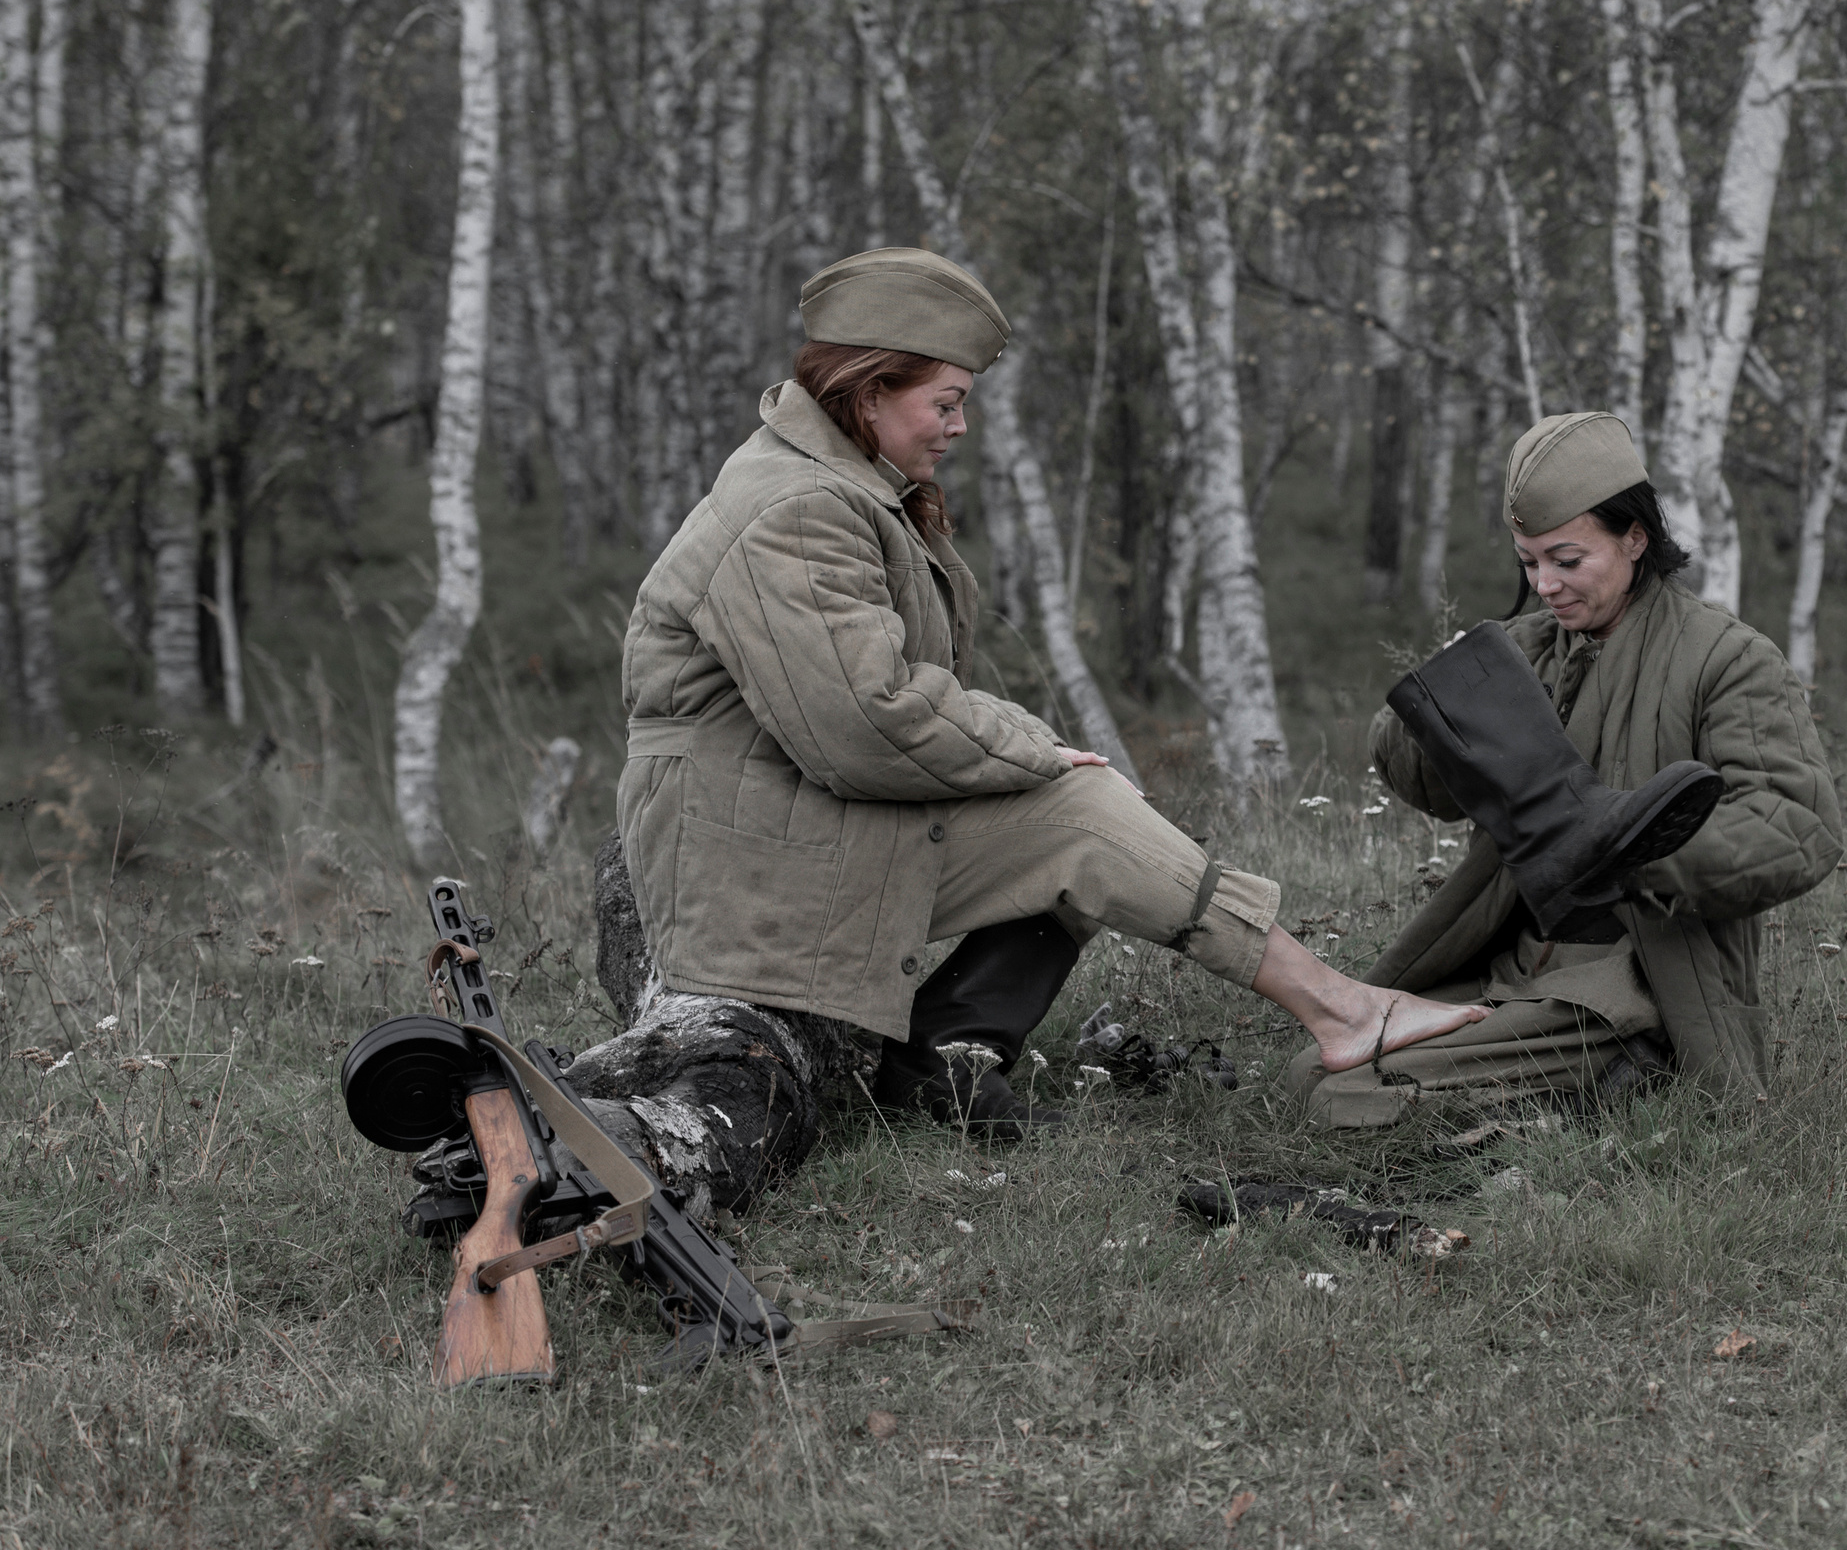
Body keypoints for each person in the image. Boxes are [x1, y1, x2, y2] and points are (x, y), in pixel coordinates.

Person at [568, 247, 1485, 1211]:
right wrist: (1037, 751)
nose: (960, 426)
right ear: (868, 391)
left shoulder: (833, 481)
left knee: (1079, 811)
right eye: (946, 401)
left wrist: (1027, 760)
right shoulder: (796, 509)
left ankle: (942, 1054)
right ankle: (1341, 1011)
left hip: (780, 815)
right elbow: (866, 722)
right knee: (1083, 813)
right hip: (746, 855)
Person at [1286, 410, 1844, 1127]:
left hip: (1638, 983)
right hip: (1511, 968)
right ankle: (1579, 1102)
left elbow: (1798, 826)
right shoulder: (1524, 648)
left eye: (1567, 560)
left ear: (1635, 538)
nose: (1545, 584)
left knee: (1348, 1101)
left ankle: (1626, 1083)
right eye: (1528, 562)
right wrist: (1435, 709)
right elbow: (1426, 787)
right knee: (1308, 1072)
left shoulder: (1728, 659)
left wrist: (1634, 853)